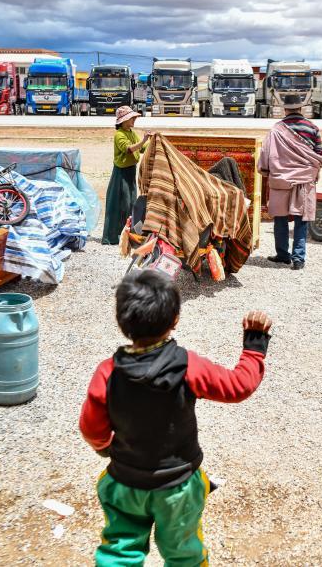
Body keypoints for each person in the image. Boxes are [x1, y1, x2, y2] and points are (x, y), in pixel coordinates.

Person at [79, 271, 273, 565]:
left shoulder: (108, 372)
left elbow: (91, 428)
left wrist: (104, 447)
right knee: (184, 554)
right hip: (179, 486)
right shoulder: (188, 366)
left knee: (118, 552)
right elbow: (238, 386)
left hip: (124, 483)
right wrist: (254, 346)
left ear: (121, 322)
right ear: (175, 320)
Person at [259, 94, 322, 270]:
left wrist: (266, 171)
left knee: (280, 218)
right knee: (301, 219)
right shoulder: (312, 128)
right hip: (305, 181)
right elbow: (320, 155)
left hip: (281, 180)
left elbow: (265, 154)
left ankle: (283, 255)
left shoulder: (276, 130)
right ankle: (298, 259)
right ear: (301, 108)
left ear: (285, 109)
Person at [102, 105, 151, 245]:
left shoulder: (131, 133)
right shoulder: (119, 135)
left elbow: (141, 148)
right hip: (121, 174)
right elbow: (129, 149)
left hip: (130, 172)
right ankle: (113, 236)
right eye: (132, 118)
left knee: (130, 203)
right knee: (120, 204)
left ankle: (128, 235)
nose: (134, 120)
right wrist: (143, 140)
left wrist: (152, 142)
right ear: (124, 121)